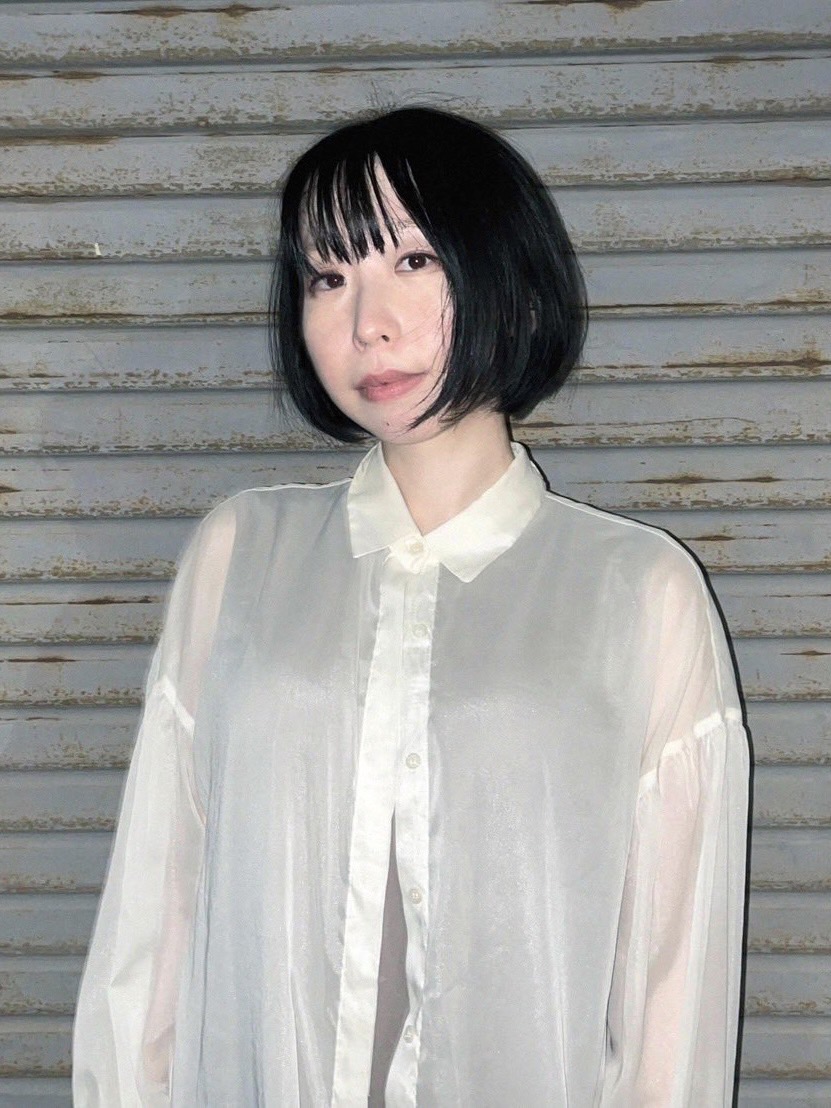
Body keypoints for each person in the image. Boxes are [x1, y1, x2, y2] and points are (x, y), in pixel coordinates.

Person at [72, 107, 750, 1106]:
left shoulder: (639, 590)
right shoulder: (240, 554)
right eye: (328, 277)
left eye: (414, 261)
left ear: (505, 277)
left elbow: (670, 990)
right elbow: (157, 918)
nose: (366, 322)